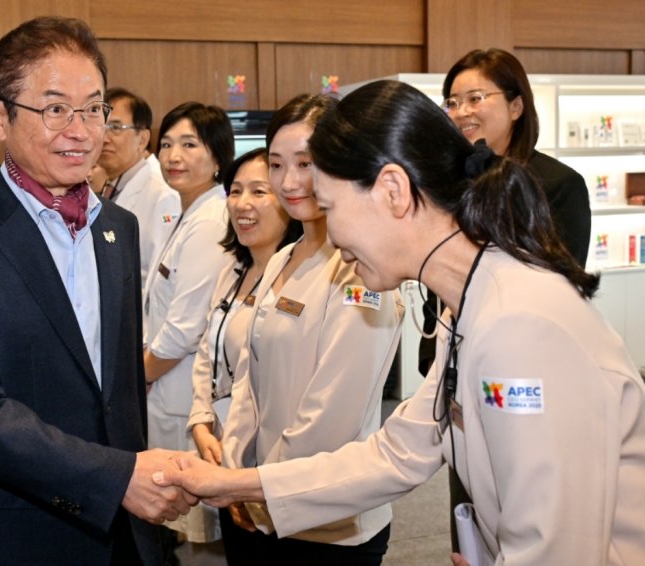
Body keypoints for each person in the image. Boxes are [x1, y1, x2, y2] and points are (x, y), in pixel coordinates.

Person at [155, 79, 645, 565]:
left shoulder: (519, 326)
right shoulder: (472, 307)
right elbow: (396, 453)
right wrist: (230, 483)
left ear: (392, 190)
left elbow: (554, 551)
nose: (332, 233)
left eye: (328, 206)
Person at [0, 17, 195, 565]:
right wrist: (114, 478)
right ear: (0, 117)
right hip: (9, 532)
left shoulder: (118, 227)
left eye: (93, 108)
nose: (82, 131)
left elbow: (120, 386)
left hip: (119, 532)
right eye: (55, 108)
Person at [418, 48, 596, 551]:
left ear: (516, 106)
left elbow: (558, 287)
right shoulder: (447, 186)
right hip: (456, 374)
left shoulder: (557, 184)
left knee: (528, 513)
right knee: (467, 512)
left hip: (526, 379)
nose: (461, 111)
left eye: (476, 97)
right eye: (452, 101)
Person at [217, 94, 404, 565]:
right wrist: (236, 470)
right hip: (256, 504)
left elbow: (330, 417)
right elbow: (249, 379)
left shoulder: (365, 271)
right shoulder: (284, 256)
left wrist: (262, 491)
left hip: (324, 524)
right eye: (277, 165)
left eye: (307, 162)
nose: (290, 181)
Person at [186, 147, 301, 554]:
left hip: (274, 472)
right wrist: (201, 421)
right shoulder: (233, 271)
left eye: (258, 192)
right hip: (223, 460)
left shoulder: (302, 280)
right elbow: (207, 353)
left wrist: (246, 473)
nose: (242, 204)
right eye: (235, 192)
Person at [143, 101, 233, 547]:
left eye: (189, 144)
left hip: (181, 388)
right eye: (167, 145)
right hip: (167, 385)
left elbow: (183, 328)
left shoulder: (211, 221)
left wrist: (136, 378)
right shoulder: (186, 212)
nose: (173, 156)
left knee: (195, 525)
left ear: (217, 157)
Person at [91, 87, 180, 294]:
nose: (104, 138)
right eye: (100, 126)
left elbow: (158, 280)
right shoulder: (110, 186)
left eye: (115, 127)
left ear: (142, 139)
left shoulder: (163, 195)